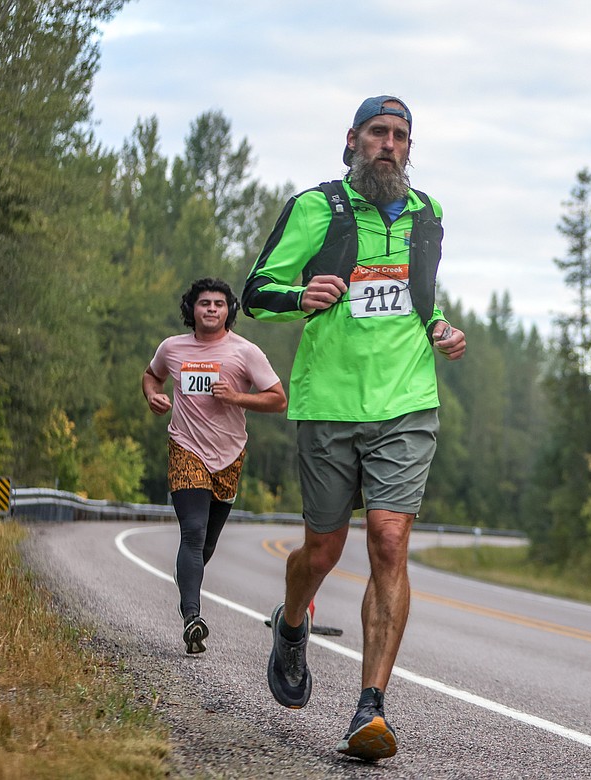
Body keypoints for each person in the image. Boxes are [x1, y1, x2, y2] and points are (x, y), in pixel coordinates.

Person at [242, 94, 466, 761]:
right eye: (378, 133)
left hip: (405, 399)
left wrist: (440, 327)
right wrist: (299, 297)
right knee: (322, 551)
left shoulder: (428, 214)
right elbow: (257, 291)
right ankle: (291, 625)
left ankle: (371, 708)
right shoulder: (317, 209)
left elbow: (418, 295)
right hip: (330, 401)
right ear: (352, 139)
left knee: (390, 542)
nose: (389, 144)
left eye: (400, 136)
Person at [143, 277, 287, 655]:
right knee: (192, 531)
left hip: (229, 455)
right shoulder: (172, 348)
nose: (211, 308)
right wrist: (153, 395)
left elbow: (278, 400)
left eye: (219, 304)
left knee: (204, 546)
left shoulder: (245, 352)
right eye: (204, 303)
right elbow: (151, 374)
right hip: (185, 447)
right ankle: (193, 617)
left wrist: (237, 396)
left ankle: (186, 580)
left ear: (229, 311)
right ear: (191, 309)